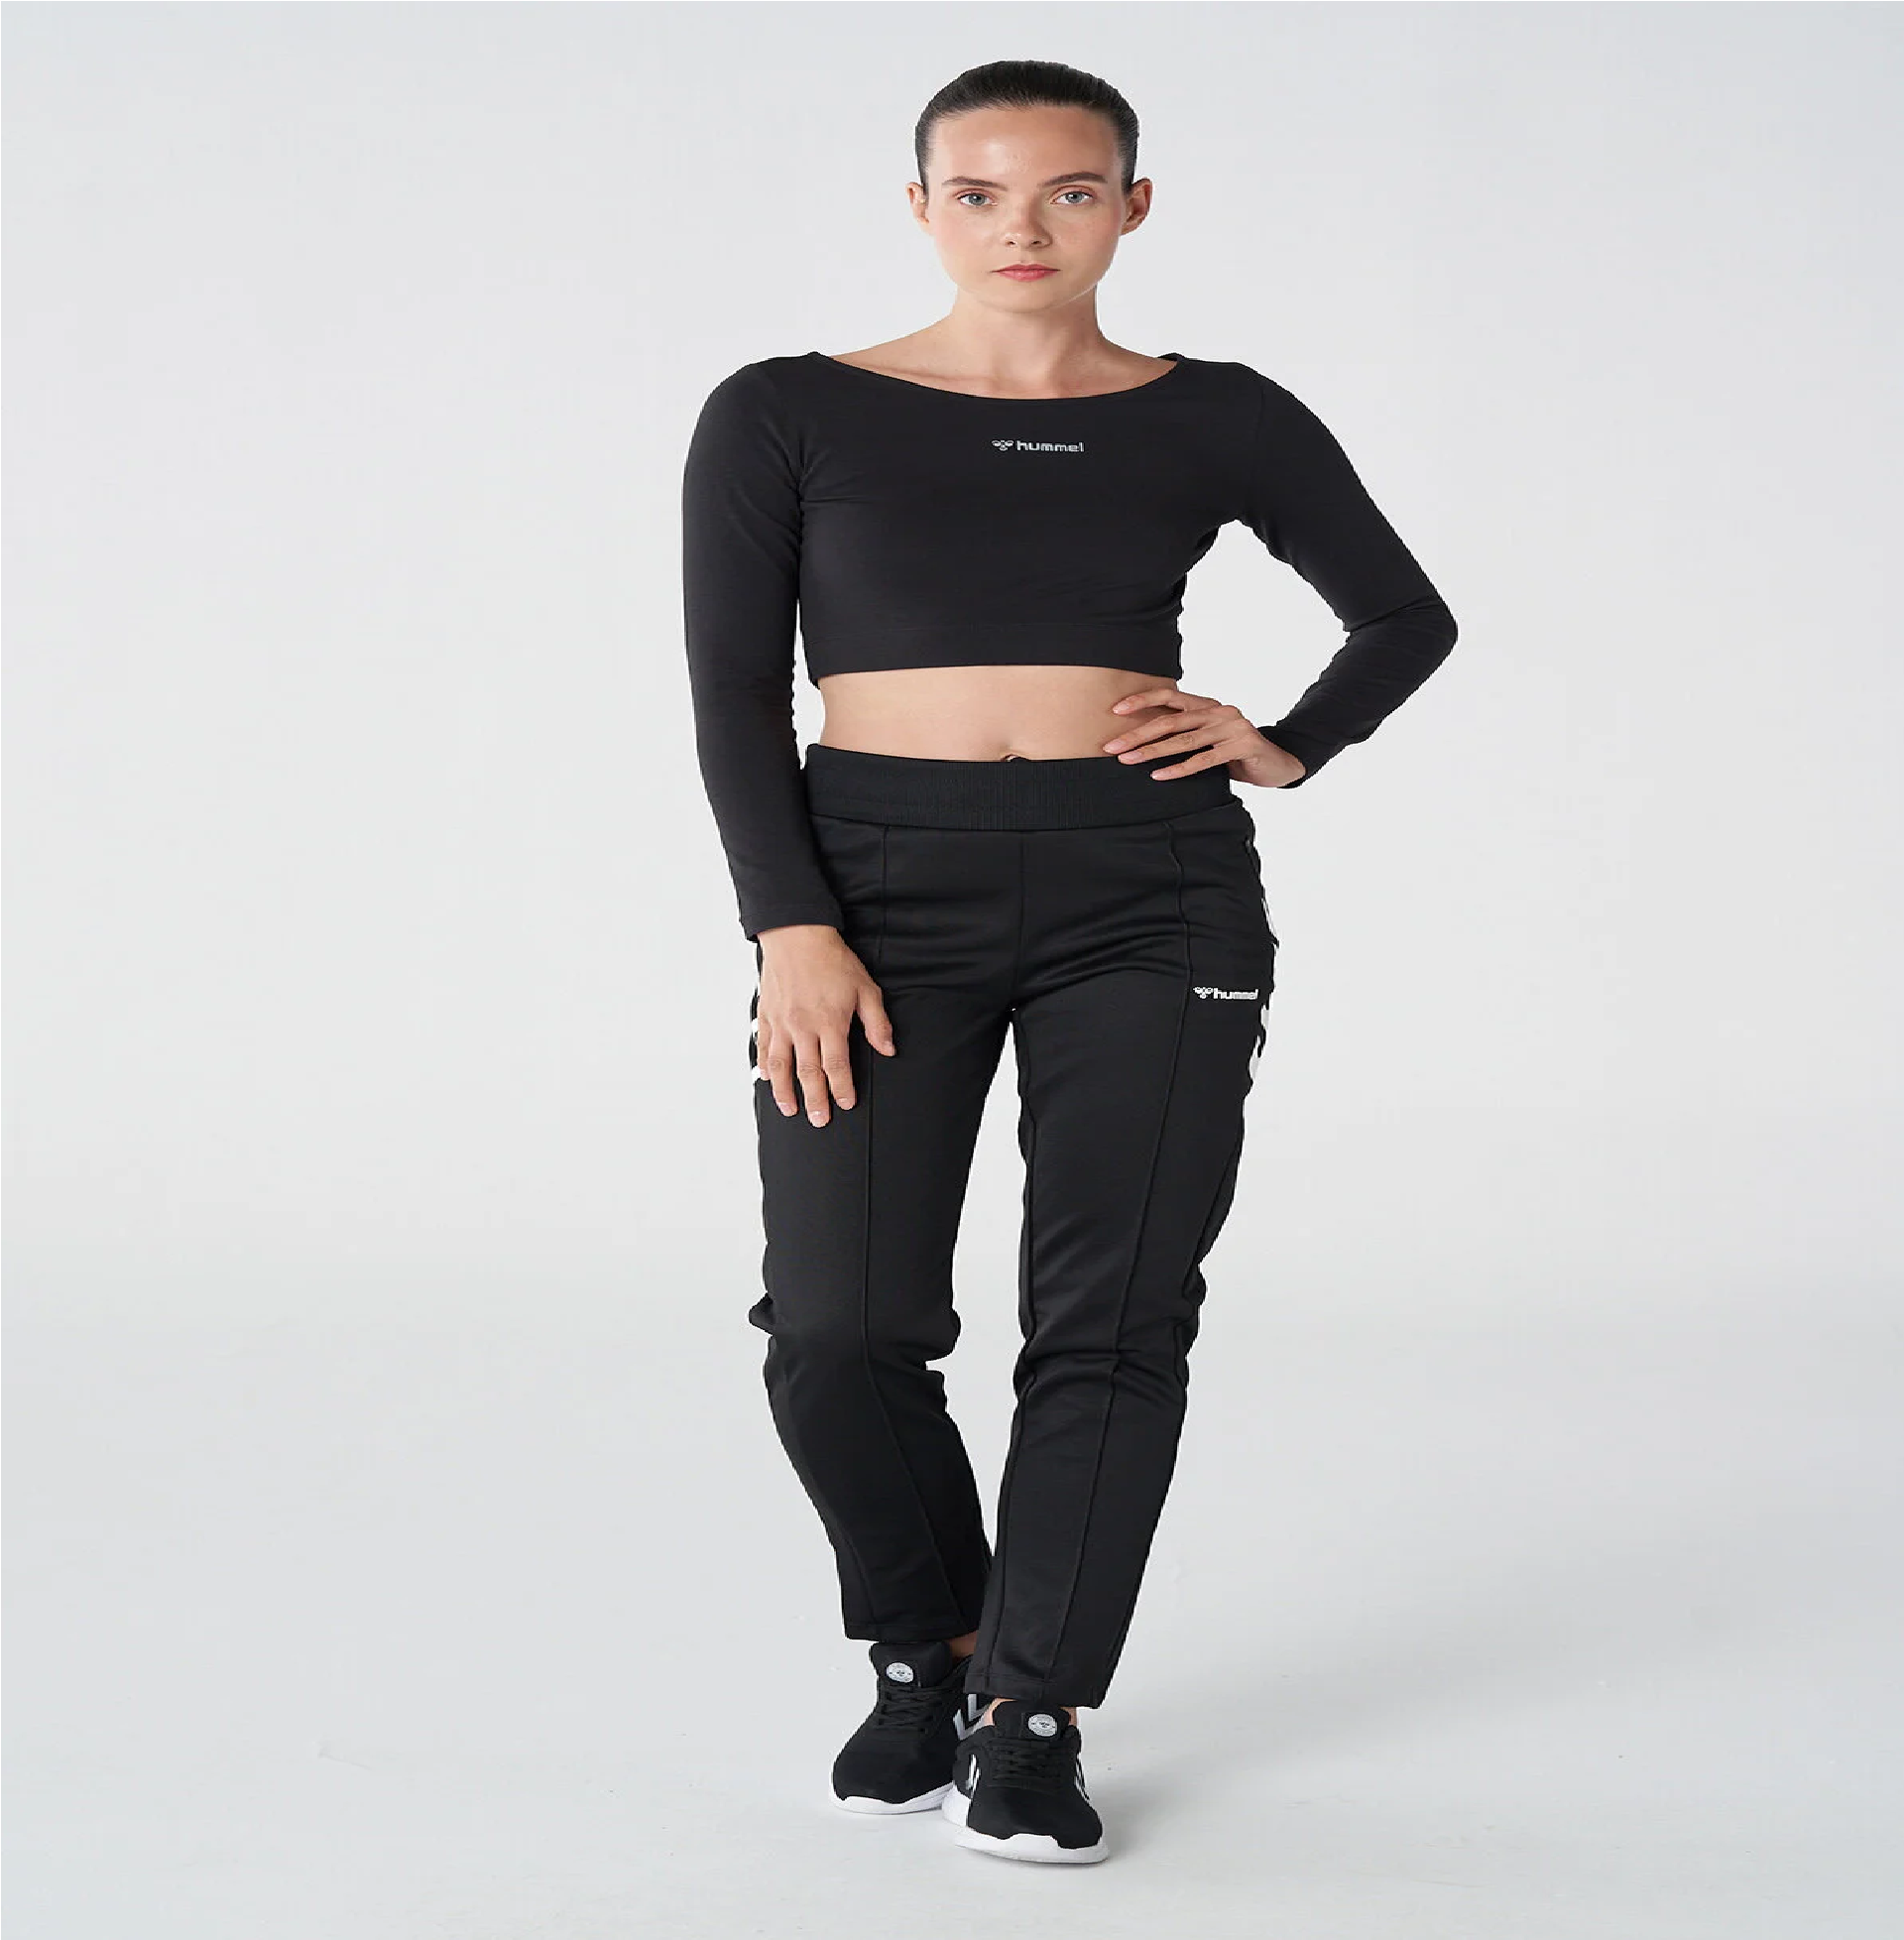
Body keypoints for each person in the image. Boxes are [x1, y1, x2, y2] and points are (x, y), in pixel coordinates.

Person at [679, 59, 1457, 1867]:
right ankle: (929, 1648)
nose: (1022, 226)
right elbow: (731, 696)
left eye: (1070, 190)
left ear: (1132, 206)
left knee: (1111, 1321)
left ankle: (1034, 1711)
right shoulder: (787, 409)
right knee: (837, 1329)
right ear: (922, 206)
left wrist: (1285, 742)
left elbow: (1404, 615)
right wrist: (791, 925)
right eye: (979, 191)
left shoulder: (1218, 413)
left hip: (1148, 886)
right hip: (875, 887)